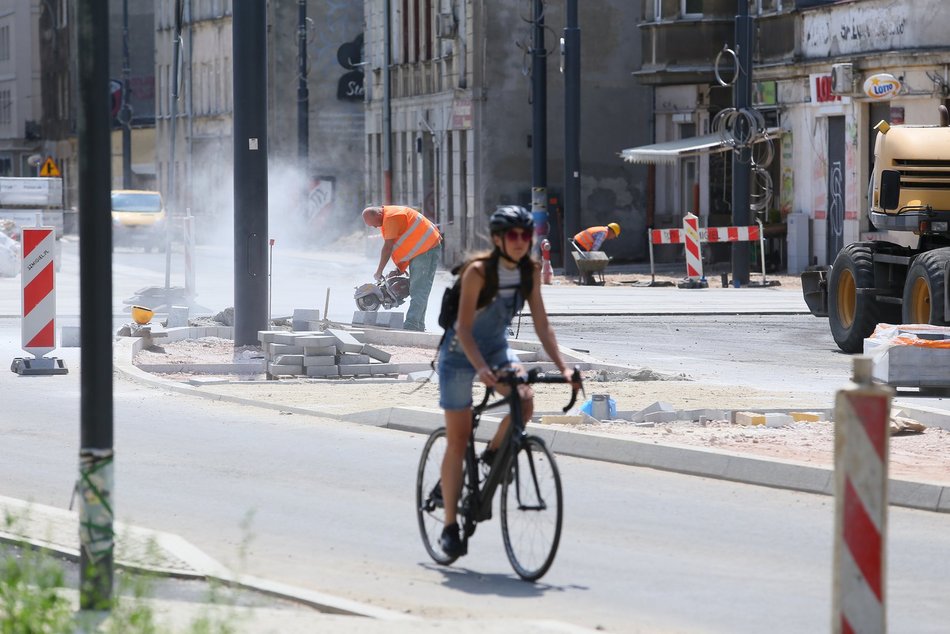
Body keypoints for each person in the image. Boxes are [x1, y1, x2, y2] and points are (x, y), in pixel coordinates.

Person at [436, 205, 576, 558]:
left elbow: (543, 325)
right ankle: (450, 526)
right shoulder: (479, 272)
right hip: (459, 353)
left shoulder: (529, 271)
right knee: (458, 439)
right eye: (513, 235)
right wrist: (481, 369)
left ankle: (492, 456)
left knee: (524, 401)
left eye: (526, 235)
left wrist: (564, 368)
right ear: (498, 239)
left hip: (497, 349)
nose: (520, 241)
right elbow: (463, 328)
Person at [362, 205, 442, 332]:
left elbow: (388, 248)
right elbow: (408, 243)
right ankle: (418, 325)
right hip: (423, 249)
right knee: (420, 289)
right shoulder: (390, 216)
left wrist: (379, 271)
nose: (375, 227)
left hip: (426, 248)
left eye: (374, 224)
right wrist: (399, 268)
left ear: (378, 214)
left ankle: (412, 325)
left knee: (418, 289)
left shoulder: (391, 217)